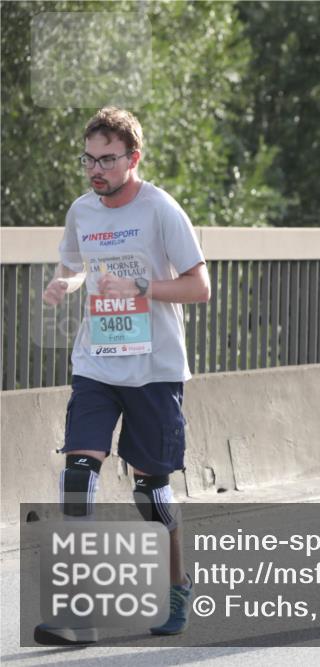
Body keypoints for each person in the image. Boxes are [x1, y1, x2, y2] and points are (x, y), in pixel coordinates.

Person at [36, 107, 211, 645]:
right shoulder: (82, 211)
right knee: (78, 473)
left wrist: (142, 290)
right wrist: (67, 283)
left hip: (154, 370)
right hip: (97, 362)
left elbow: (200, 287)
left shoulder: (161, 210)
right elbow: (78, 263)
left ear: (133, 159)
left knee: (150, 491)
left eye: (107, 160)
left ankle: (177, 585)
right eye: (89, 159)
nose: (96, 170)